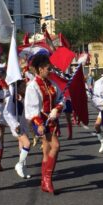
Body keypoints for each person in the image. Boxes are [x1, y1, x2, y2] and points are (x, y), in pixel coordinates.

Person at [24, 54, 64, 194]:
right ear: (40, 69)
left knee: (47, 151)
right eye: (48, 68)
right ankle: (47, 179)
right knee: (56, 146)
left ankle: (44, 181)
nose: (50, 71)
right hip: (41, 122)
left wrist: (57, 108)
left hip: (52, 120)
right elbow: (31, 109)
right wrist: (40, 124)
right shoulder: (33, 86)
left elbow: (61, 98)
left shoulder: (51, 84)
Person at [3, 79, 31, 179]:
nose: (25, 88)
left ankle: (24, 168)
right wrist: (15, 124)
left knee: (22, 146)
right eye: (23, 86)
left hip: (23, 125)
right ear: (17, 87)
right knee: (27, 144)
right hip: (16, 126)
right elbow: (6, 113)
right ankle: (19, 164)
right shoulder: (12, 98)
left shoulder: (23, 97)